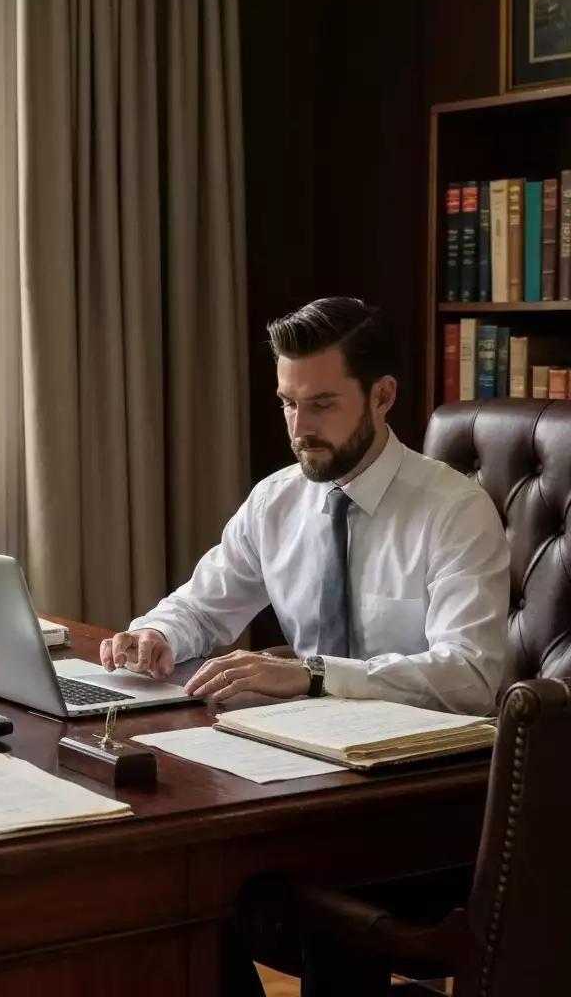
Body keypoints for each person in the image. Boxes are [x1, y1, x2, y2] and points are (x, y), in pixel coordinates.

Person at [99, 296, 512, 996]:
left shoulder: (453, 511)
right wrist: (155, 635)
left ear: (381, 396)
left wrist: (314, 675)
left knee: (288, 883)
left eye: (321, 405)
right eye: (288, 404)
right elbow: (203, 603)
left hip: (424, 806)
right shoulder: (277, 500)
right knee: (165, 879)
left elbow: (470, 677)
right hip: (305, 774)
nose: (299, 429)